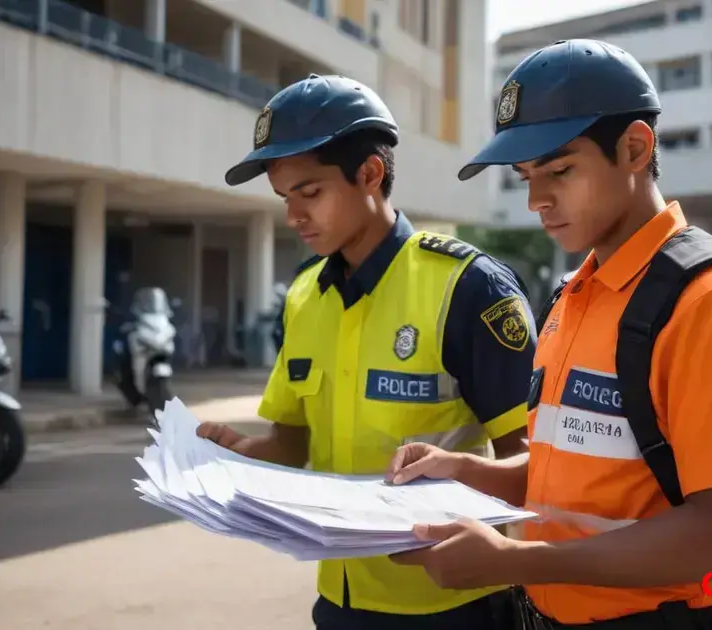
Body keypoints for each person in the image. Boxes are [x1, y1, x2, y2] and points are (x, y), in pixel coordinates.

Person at [386, 39, 712, 629]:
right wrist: (466, 471)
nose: (536, 200)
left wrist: (518, 559)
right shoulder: (579, 291)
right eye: (526, 176)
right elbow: (576, 476)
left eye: (559, 171)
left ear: (635, 148)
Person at [195, 73, 535, 630]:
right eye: (285, 199)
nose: (294, 216)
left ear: (370, 174)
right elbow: (291, 443)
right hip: (340, 602)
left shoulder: (468, 288)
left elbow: (533, 465)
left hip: (455, 607)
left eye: (310, 193)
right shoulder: (304, 295)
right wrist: (235, 455)